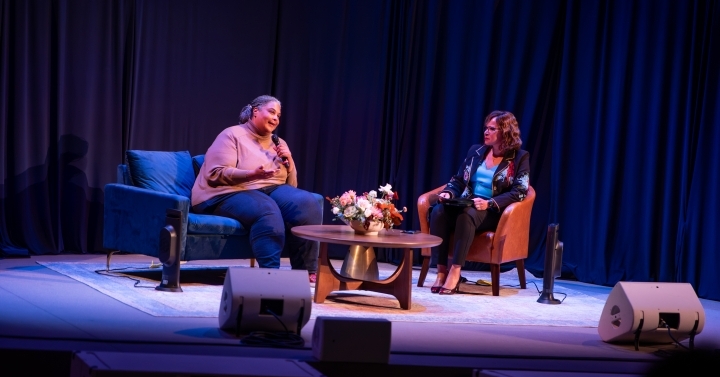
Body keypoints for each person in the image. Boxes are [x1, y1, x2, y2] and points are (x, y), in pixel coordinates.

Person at [191, 95, 321, 282]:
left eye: (279, 115)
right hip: (225, 191)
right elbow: (215, 173)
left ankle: (306, 272)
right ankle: (270, 274)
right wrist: (250, 174)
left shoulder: (279, 143)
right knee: (267, 210)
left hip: (268, 189)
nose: (276, 118)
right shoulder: (232, 134)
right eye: (272, 111)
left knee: (306, 203)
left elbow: (291, 186)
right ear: (255, 111)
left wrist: (289, 160)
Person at [429, 110, 530, 294]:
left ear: (505, 133)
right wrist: (448, 194)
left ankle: (455, 270)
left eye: (492, 129)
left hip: (493, 211)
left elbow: (520, 192)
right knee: (438, 211)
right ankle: (441, 270)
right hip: (468, 204)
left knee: (467, 215)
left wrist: (489, 203)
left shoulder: (519, 158)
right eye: (486, 128)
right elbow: (459, 179)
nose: (486, 132)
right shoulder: (476, 151)